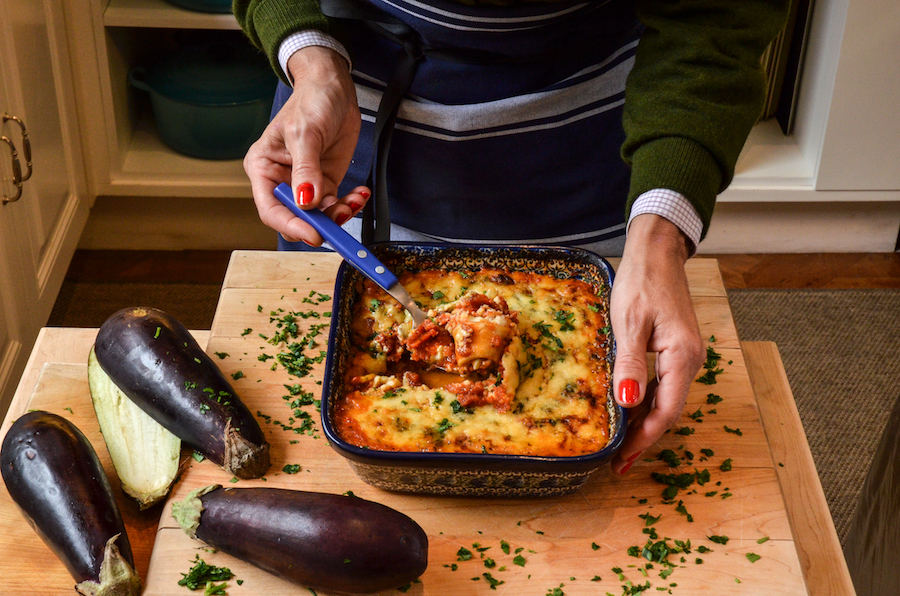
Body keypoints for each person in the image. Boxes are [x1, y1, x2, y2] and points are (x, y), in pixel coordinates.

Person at [234, 0, 788, 474]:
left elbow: (718, 16)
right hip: (345, 120)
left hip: (585, 135)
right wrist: (313, 64)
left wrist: (661, 237)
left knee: (612, 354)